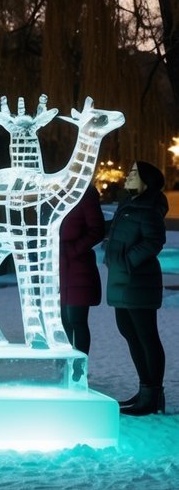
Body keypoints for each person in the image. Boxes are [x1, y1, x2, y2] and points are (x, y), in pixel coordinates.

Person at [104, 160, 168, 415]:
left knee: (146, 336)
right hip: (122, 280)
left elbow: (155, 240)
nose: (128, 176)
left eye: (133, 173)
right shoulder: (128, 203)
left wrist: (127, 261)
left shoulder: (149, 206)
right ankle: (145, 391)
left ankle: (152, 395)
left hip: (138, 280)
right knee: (129, 332)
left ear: (146, 180)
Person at [58, 183, 105, 354]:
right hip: (57, 270)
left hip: (77, 268)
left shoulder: (84, 194)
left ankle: (79, 371)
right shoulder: (54, 194)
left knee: (76, 321)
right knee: (62, 322)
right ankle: (65, 369)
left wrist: (71, 250)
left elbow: (97, 229)